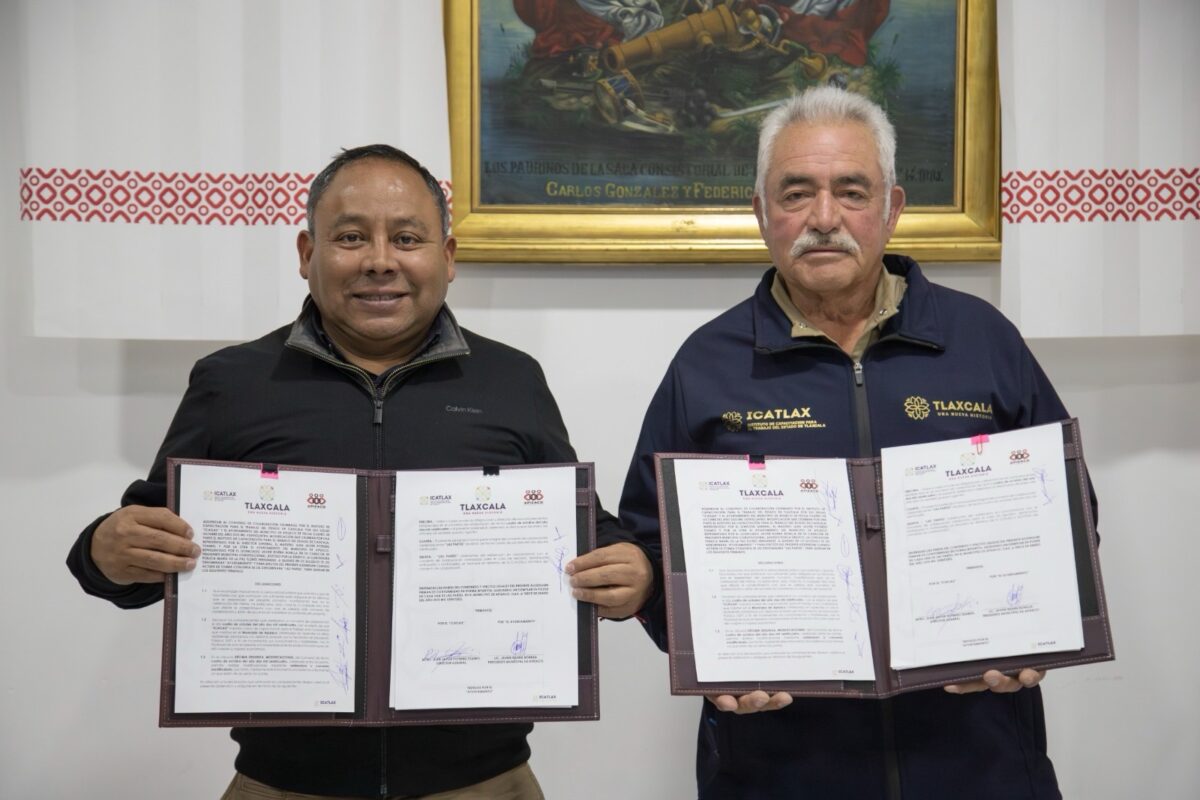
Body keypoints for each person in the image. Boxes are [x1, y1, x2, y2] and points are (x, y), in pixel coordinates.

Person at [66, 144, 652, 800]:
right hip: (283, 785)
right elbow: (143, 548)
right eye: (350, 238)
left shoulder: (511, 380)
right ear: (306, 254)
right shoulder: (232, 382)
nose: (380, 261)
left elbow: (580, 529)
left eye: (407, 238)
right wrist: (106, 551)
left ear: (447, 257)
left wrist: (631, 570)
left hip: (485, 782)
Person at [618, 87, 1080, 799]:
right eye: (797, 193)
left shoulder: (983, 340)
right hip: (777, 769)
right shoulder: (706, 364)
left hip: (977, 760)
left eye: (852, 191)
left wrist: (1037, 633)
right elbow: (651, 543)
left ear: (892, 208)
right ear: (761, 212)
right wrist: (699, 651)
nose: (824, 218)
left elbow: (1067, 514)